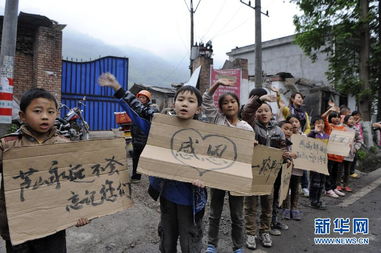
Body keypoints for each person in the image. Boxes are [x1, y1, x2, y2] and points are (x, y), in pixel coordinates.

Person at [98, 77, 207, 253]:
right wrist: (118, 88)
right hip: (167, 196)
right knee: (167, 242)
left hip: (191, 200)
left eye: (191, 101)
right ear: (174, 103)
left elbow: (216, 164)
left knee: (190, 244)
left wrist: (205, 178)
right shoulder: (159, 125)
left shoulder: (207, 133)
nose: (184, 104)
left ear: (199, 108)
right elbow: (137, 111)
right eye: (180, 99)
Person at [0, 88, 88, 253]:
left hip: (53, 228)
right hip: (18, 229)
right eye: (37, 111)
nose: (45, 116)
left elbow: (78, 182)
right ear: (22, 116)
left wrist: (81, 211)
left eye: (51, 111)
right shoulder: (8, 145)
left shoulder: (66, 146)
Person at [202, 79, 253, 253]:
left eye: (232, 102)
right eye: (225, 103)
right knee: (214, 213)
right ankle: (211, 245)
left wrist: (253, 146)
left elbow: (250, 154)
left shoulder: (246, 128)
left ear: (238, 105)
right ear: (221, 107)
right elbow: (205, 99)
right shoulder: (217, 119)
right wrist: (217, 83)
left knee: (237, 215)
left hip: (237, 176)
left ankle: (238, 246)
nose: (229, 105)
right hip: (217, 173)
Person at [241, 88, 287, 249]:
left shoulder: (278, 131)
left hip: (269, 175)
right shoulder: (251, 126)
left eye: (266, 110)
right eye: (260, 111)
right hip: (252, 173)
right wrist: (259, 100)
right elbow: (247, 112)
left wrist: (287, 155)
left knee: (267, 205)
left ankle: (265, 231)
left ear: (271, 113)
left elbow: (284, 148)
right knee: (251, 206)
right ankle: (250, 233)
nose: (263, 113)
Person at [100, 75, 157, 183]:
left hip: (146, 140)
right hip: (136, 139)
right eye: (139, 97)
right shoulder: (137, 111)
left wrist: (117, 87)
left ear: (148, 100)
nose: (141, 99)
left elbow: (143, 110)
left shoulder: (150, 109)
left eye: (143, 98)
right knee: (135, 158)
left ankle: (153, 179)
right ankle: (136, 177)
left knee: (147, 159)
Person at [281, 116, 304, 221]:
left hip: (298, 168)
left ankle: (294, 208)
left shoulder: (303, 137)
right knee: (286, 187)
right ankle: (285, 207)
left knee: (295, 188)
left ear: (299, 123)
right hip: (287, 166)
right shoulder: (284, 136)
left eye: (296, 121)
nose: (294, 124)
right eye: (291, 122)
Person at [321, 107, 347, 198]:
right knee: (329, 173)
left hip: (339, 156)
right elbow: (323, 117)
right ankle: (328, 189)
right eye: (334, 116)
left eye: (338, 117)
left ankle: (334, 187)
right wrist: (329, 110)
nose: (336, 118)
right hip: (330, 155)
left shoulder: (343, 128)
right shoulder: (329, 127)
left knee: (336, 173)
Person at [307, 117, 329, 209]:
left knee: (321, 182)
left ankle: (318, 199)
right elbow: (307, 140)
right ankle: (313, 200)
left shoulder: (326, 135)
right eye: (318, 123)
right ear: (314, 125)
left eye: (322, 123)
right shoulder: (312, 134)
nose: (320, 125)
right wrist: (314, 132)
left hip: (324, 162)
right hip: (314, 162)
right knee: (315, 181)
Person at [341, 115, 362, 192]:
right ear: (346, 120)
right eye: (350, 119)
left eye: (353, 119)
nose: (352, 120)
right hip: (340, 152)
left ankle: (345, 185)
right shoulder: (341, 128)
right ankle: (337, 185)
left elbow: (359, 140)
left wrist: (355, 148)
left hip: (350, 153)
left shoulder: (355, 129)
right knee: (339, 169)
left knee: (347, 170)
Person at [350, 111, 363, 178]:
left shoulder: (359, 124)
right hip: (350, 144)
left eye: (358, 115)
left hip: (356, 143)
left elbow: (360, 133)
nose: (357, 116)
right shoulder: (351, 122)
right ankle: (349, 172)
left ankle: (352, 172)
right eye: (355, 115)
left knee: (355, 158)